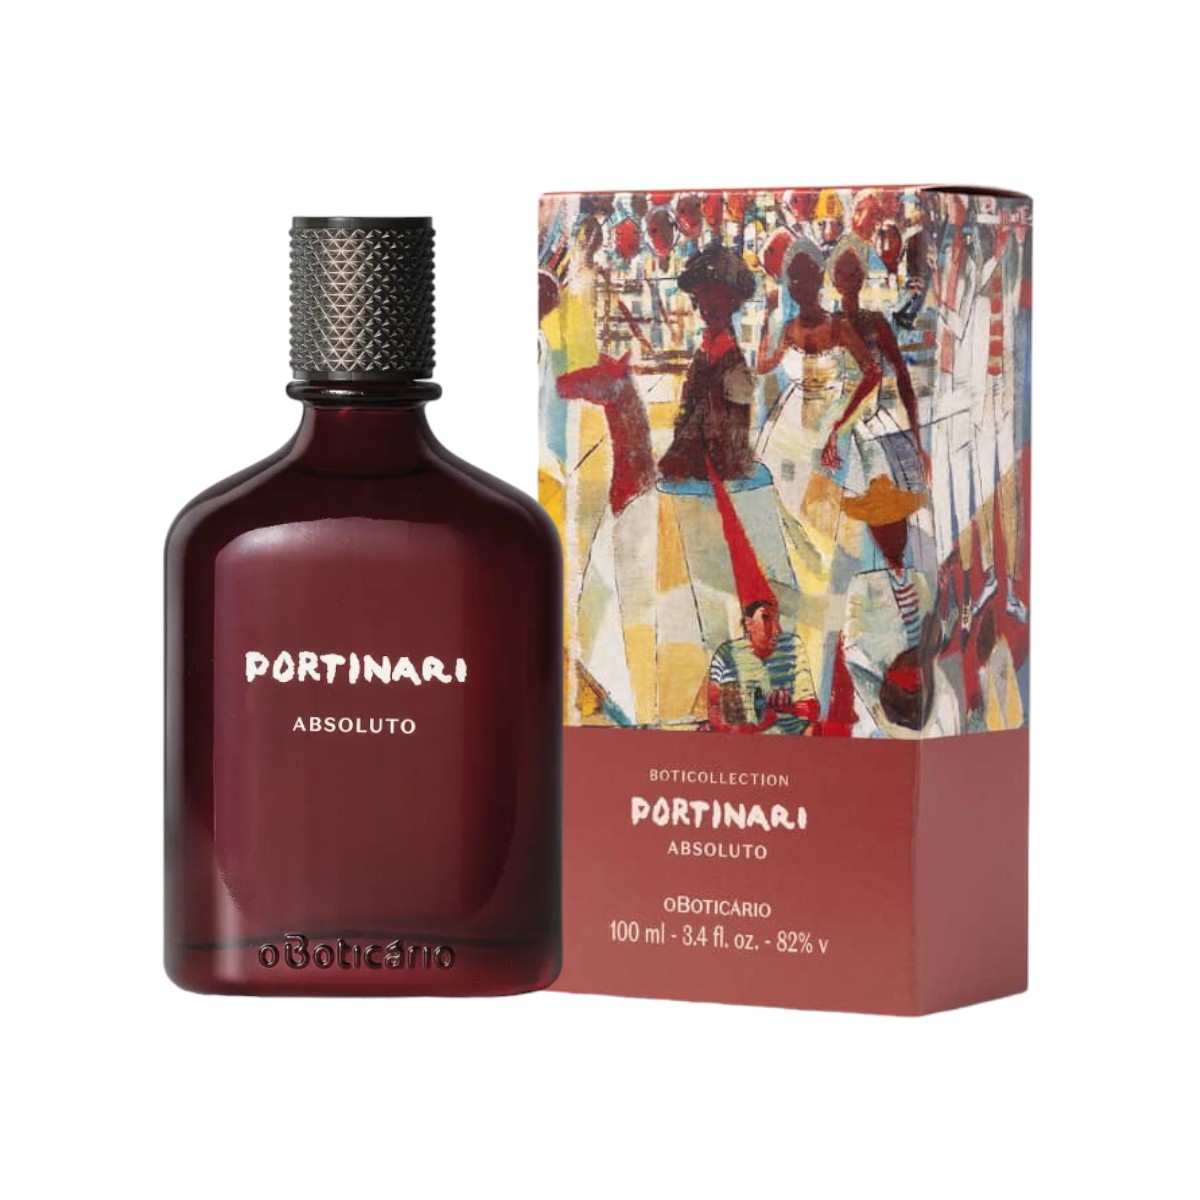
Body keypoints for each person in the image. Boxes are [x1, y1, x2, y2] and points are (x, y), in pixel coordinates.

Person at [657, 242, 758, 482]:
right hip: (692, 465)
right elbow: (687, 412)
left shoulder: (735, 367)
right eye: (703, 296)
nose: (708, 306)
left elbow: (734, 440)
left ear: (732, 303)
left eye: (717, 298)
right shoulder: (703, 354)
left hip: (720, 471)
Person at [707, 600, 819, 734]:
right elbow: (715, 717)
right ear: (748, 623)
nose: (776, 630)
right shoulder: (726, 655)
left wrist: (788, 707)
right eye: (766, 618)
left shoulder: (792, 646)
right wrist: (760, 725)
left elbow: (812, 711)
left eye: (776, 619)